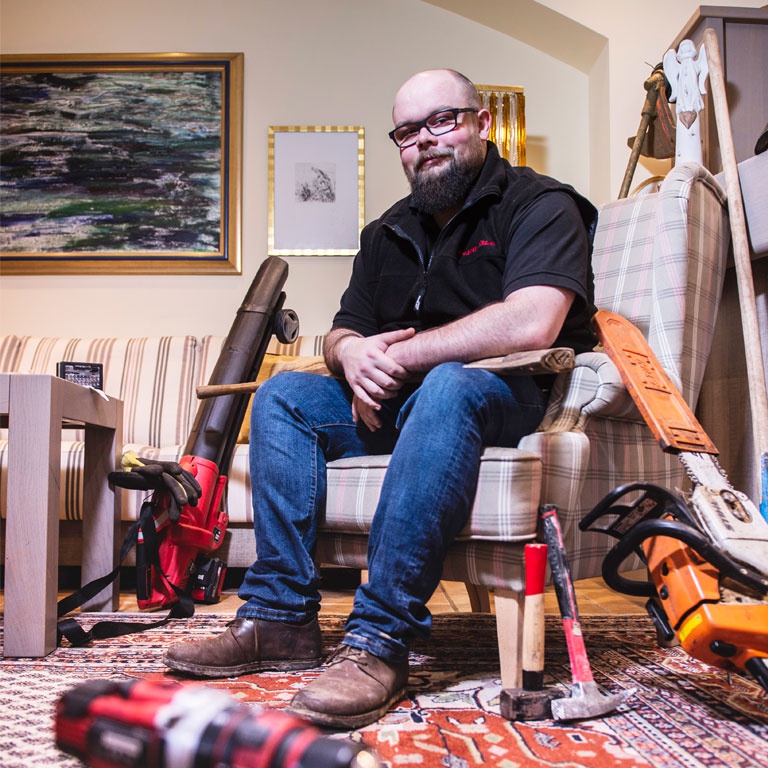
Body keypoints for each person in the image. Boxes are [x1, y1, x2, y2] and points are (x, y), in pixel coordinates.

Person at [164, 68, 598, 729]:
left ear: (482, 123)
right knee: (283, 395)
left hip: (501, 400)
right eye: (407, 131)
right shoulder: (386, 232)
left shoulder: (540, 204)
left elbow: (533, 319)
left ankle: (379, 639)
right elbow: (343, 329)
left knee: (449, 382)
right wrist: (350, 355)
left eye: (442, 120)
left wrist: (396, 357)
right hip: (399, 406)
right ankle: (280, 618)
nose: (424, 140)